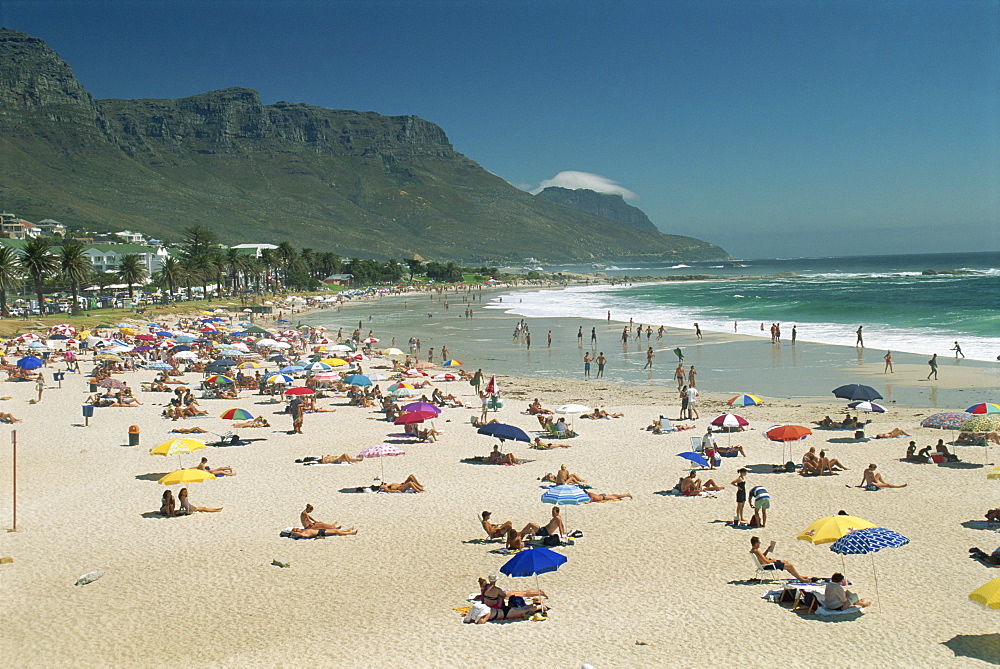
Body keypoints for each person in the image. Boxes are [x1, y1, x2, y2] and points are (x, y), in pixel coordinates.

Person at [290, 526, 357, 537]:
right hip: (320, 533)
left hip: (320, 530)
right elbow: (302, 536)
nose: (298, 528)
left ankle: (348, 530)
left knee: (335, 530)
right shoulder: (303, 533)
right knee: (336, 532)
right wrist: (294, 533)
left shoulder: (304, 530)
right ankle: (351, 533)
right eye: (297, 529)